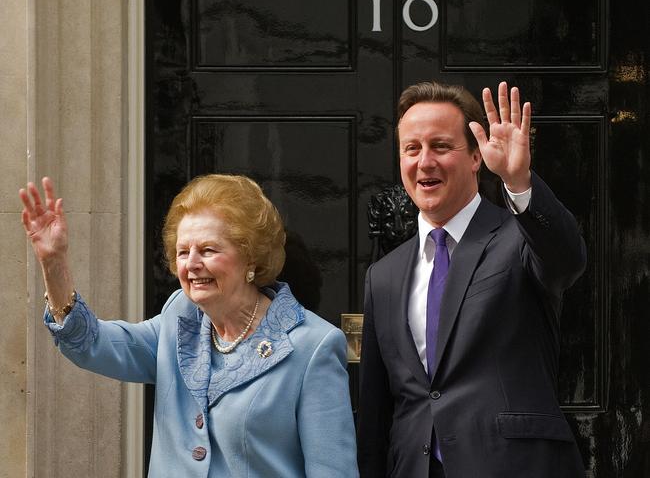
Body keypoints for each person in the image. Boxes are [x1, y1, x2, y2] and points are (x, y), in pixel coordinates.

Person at [19, 174, 359, 478]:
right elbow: (94, 345)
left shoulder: (312, 346)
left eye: (208, 250)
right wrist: (54, 264)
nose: (192, 264)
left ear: (251, 258)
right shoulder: (181, 317)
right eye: (183, 252)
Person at [357, 81, 587, 478]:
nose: (424, 161)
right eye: (412, 148)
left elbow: (567, 260)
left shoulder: (519, 238)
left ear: (476, 156)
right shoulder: (384, 274)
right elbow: (377, 411)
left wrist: (519, 182)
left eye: (441, 147)